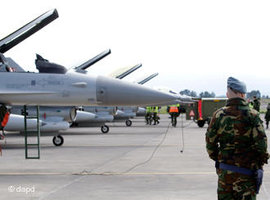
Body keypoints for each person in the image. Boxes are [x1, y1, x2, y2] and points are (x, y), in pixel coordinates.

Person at [206, 77, 269, 200]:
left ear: (228, 94)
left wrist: (221, 161)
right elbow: (261, 147)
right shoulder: (253, 115)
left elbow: (210, 145)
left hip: (225, 176)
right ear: (242, 94)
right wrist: (258, 165)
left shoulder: (218, 115)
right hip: (247, 176)